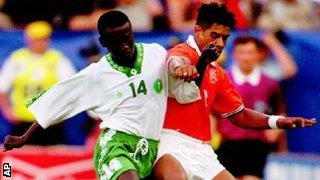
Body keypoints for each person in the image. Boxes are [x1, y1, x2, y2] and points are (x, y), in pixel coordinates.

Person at [2, 11, 199, 179]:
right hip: (116, 147)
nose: (124, 45)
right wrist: (24, 136)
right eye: (116, 41)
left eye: (127, 37)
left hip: (151, 146)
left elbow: (180, 90)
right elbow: (59, 100)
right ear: (103, 42)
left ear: (132, 32)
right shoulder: (96, 74)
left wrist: (199, 66)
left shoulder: (156, 54)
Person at [152, 3, 316, 180]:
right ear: (198, 30)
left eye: (224, 38)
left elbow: (240, 115)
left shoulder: (218, 73)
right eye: (214, 35)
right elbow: (175, 61)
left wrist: (277, 121)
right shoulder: (182, 52)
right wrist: (181, 68)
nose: (220, 43)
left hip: (200, 148)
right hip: (169, 141)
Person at [216, 35, 287, 180]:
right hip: (227, 144)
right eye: (242, 52)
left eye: (250, 52)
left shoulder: (270, 84)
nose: (246, 57)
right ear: (234, 54)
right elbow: (211, 112)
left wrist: (276, 130)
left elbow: (279, 112)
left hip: (256, 146)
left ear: (258, 55)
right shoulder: (222, 80)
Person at [0, 21, 76, 145]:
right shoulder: (17, 58)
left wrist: (62, 114)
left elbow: (71, 87)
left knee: (53, 159)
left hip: (49, 123)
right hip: (22, 122)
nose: (41, 43)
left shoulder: (56, 59)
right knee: (17, 160)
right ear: (29, 40)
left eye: (43, 39)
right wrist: (8, 112)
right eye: (37, 39)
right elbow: (2, 88)